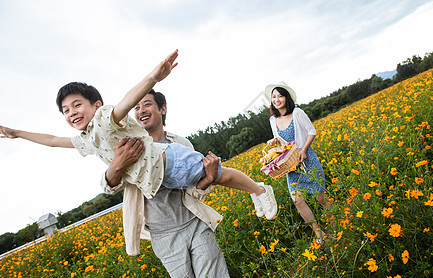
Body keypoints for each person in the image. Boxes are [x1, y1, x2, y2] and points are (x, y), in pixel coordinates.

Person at [0, 50, 277, 220]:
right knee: (215, 179)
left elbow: (126, 100)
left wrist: (153, 77)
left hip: (169, 160)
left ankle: (260, 190)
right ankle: (256, 191)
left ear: (95, 104)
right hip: (161, 176)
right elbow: (52, 140)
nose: (71, 112)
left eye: (77, 105)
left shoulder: (106, 119)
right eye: (65, 110)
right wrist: (17, 133)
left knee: (220, 175)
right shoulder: (86, 138)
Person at [102, 89, 228, 278]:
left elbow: (194, 189)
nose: (141, 110)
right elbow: (109, 186)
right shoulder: (129, 147)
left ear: (163, 108)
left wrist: (209, 177)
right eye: (137, 107)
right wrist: (116, 165)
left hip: (194, 223)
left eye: (147, 104)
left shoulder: (181, 144)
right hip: (163, 236)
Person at [265, 82, 332, 243]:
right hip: (291, 166)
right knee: (298, 201)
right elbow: (282, 143)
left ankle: (336, 226)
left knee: (320, 198)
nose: (277, 99)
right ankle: (319, 234)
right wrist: (274, 141)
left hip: (307, 160)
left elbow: (312, 131)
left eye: (280, 95)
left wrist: (303, 149)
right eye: (274, 97)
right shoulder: (273, 120)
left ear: (286, 97)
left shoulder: (297, 113)